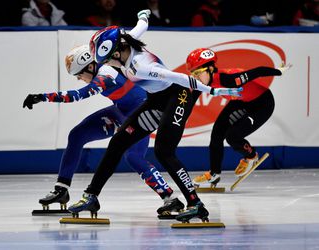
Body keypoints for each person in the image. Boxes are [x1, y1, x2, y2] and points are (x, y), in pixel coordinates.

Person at [68, 23, 242, 222]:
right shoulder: (124, 46)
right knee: (118, 143)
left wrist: (211, 90)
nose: (107, 66)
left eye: (107, 61)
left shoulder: (141, 67)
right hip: (157, 99)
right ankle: (91, 196)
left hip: (178, 95)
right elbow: (136, 30)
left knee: (163, 151)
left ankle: (196, 204)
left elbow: (180, 77)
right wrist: (143, 18)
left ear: (116, 54)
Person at [23, 10, 182, 215]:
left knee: (134, 157)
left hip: (141, 115)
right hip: (121, 112)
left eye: (79, 75)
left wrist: (42, 96)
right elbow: (135, 31)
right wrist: (143, 18)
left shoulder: (105, 75)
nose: (80, 79)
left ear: (89, 66)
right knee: (77, 135)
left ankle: (171, 198)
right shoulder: (105, 64)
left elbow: (77, 95)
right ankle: (61, 190)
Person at [187, 48, 292, 187]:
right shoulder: (202, 83)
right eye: (193, 74)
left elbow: (258, 71)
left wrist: (279, 71)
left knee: (232, 136)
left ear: (210, 69)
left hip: (262, 104)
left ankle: (251, 155)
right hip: (241, 102)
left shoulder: (229, 78)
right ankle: (214, 174)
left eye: (198, 73)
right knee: (217, 132)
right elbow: (190, 102)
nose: (195, 78)